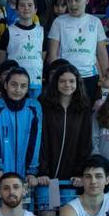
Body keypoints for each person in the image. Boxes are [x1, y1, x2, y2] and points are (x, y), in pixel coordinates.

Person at [38, 63, 93, 207]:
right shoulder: (44, 105)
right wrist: (42, 171)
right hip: (48, 179)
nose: (67, 85)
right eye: (62, 81)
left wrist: (81, 172)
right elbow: (40, 141)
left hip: (70, 179)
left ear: (78, 82)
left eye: (71, 81)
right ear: (55, 82)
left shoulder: (84, 107)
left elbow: (85, 142)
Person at [47, 0, 109, 100]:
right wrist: (56, 75)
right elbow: (53, 53)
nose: (73, 4)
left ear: (86, 0)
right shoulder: (59, 21)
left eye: (77, 0)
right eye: (69, 1)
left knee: (87, 112)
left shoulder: (95, 22)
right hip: (66, 76)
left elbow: (101, 52)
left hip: (89, 76)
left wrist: (105, 77)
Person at [0, 67, 42, 182]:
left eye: (23, 86)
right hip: (0, 175)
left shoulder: (34, 107)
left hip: (26, 176)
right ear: (5, 85)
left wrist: (32, 171)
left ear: (27, 88)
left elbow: (36, 140)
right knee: (1, 199)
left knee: (23, 200)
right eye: (14, 84)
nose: (18, 90)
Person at [0, 0, 45, 97]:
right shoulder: (9, 31)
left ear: (35, 10)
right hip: (15, 84)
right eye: (22, 5)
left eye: (30, 5)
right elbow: (1, 56)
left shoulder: (41, 31)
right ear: (17, 10)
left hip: (35, 82)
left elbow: (43, 55)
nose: (26, 8)